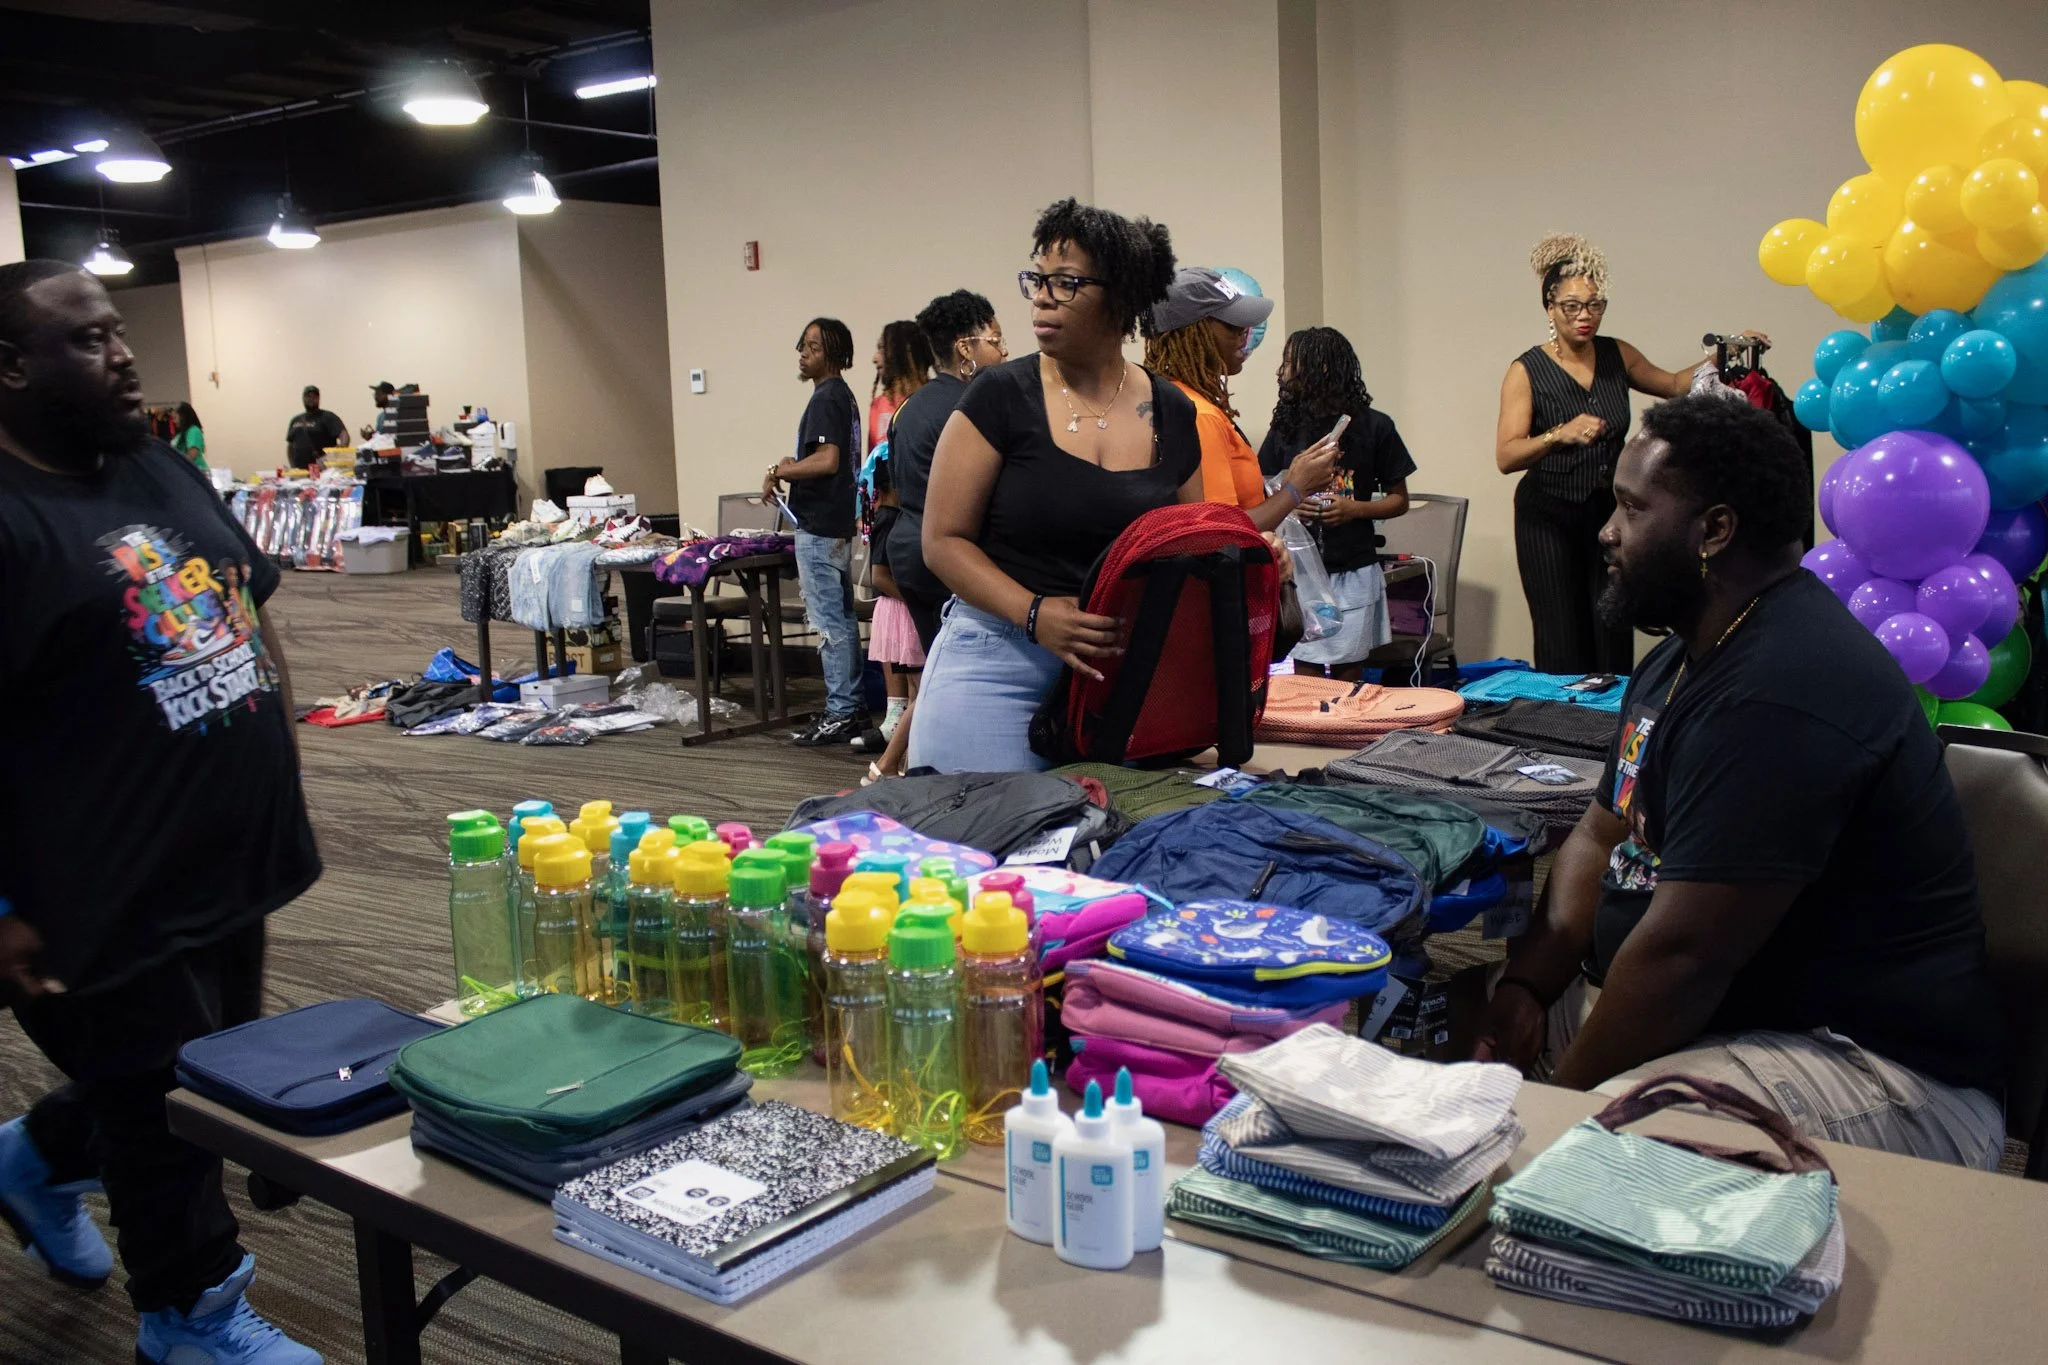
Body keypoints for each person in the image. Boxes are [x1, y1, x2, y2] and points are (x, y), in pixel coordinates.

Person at [1473, 394, 2004, 1169]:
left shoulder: (1783, 685)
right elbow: (1601, 830)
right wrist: (1524, 987)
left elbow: (1685, 959)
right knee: (1461, 1017)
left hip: (1877, 1069)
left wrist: (1560, 1114)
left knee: (1598, 1153)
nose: (1606, 530)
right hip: (1735, 1023)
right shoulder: (1684, 653)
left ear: (1714, 531)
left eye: (1630, 506)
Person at [0, 261, 323, 1362]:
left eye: (119, 330)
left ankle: (38, 1157)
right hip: (96, 878)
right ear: (10, 369)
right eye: (88, 340)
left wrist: (277, 748)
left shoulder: (152, 460)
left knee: (201, 1072)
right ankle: (192, 1317)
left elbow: (244, 595)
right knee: (158, 1099)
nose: (124, 352)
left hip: (229, 848)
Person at [915, 198, 1202, 774]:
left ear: (1121, 299)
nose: (1043, 297)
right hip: (1000, 654)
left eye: (1067, 283)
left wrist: (1250, 551)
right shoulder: (999, 395)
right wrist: (1034, 613)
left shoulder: (1169, 409)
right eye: (1038, 279)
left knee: (1109, 850)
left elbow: (1186, 541)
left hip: (1119, 667)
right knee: (984, 843)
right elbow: (942, 541)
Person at [1494, 233, 1767, 675]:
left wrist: (1725, 354)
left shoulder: (1616, 354)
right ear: (1549, 307)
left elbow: (1676, 385)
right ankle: (1560, 737)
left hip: (1609, 516)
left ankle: (1612, 734)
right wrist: (1558, 434)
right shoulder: (1526, 369)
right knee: (1561, 640)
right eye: (1572, 306)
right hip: (1547, 517)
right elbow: (1506, 455)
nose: (1585, 316)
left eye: (1595, 305)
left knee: (1613, 627)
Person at [1259, 327, 1414, 678]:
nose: (1281, 372)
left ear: (1320, 369)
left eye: (1288, 363)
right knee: (1306, 676)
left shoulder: (1376, 427)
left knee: (1348, 676)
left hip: (1354, 569)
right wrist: (1291, 502)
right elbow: (1262, 488)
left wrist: (1354, 509)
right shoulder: (1285, 429)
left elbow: (1399, 500)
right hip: (1300, 574)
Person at [1143, 266, 1338, 533]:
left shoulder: (1176, 398)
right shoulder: (1198, 414)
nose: (1244, 333)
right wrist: (1294, 490)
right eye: (1231, 325)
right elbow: (1220, 532)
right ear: (1194, 333)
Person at [764, 317, 868, 746]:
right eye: (802, 345)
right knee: (841, 620)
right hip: (836, 525)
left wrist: (782, 469)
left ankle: (841, 712)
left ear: (835, 356)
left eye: (814, 347)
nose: (803, 354)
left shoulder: (828, 397)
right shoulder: (840, 396)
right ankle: (851, 708)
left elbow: (827, 461)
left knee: (830, 624)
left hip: (822, 528)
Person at [867, 320, 932, 452]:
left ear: (900, 353)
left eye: (881, 349)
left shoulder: (933, 402)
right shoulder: (878, 405)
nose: (875, 358)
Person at [284, 384, 346, 470]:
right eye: (308, 396)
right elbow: (290, 446)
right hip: (300, 473)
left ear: (318, 398)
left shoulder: (328, 417)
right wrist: (293, 467)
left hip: (323, 472)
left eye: (314, 396)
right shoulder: (295, 420)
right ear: (303, 398)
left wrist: (332, 456)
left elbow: (344, 437)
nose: (311, 399)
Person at [169, 401, 206, 471]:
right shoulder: (180, 434)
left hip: (195, 472)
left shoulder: (193, 431)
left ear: (183, 416)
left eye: (175, 418)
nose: (174, 421)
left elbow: (192, 455)